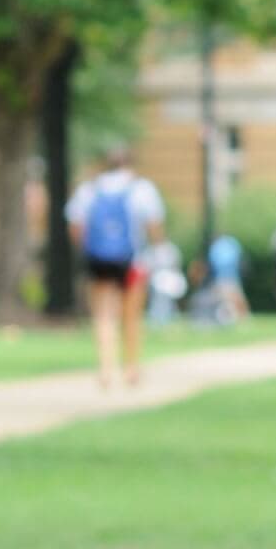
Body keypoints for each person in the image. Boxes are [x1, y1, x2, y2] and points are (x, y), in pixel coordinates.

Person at [66, 150, 166, 389]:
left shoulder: (89, 189)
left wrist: (89, 249)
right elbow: (154, 226)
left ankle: (105, 369)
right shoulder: (142, 189)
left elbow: (75, 226)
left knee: (103, 315)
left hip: (99, 260)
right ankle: (131, 368)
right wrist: (159, 250)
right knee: (131, 316)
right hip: (132, 261)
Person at [206, 233, 248, 322]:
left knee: (226, 298)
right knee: (236, 297)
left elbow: (212, 264)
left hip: (221, 276)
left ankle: (235, 317)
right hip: (233, 275)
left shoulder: (215, 247)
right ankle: (243, 316)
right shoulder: (232, 243)